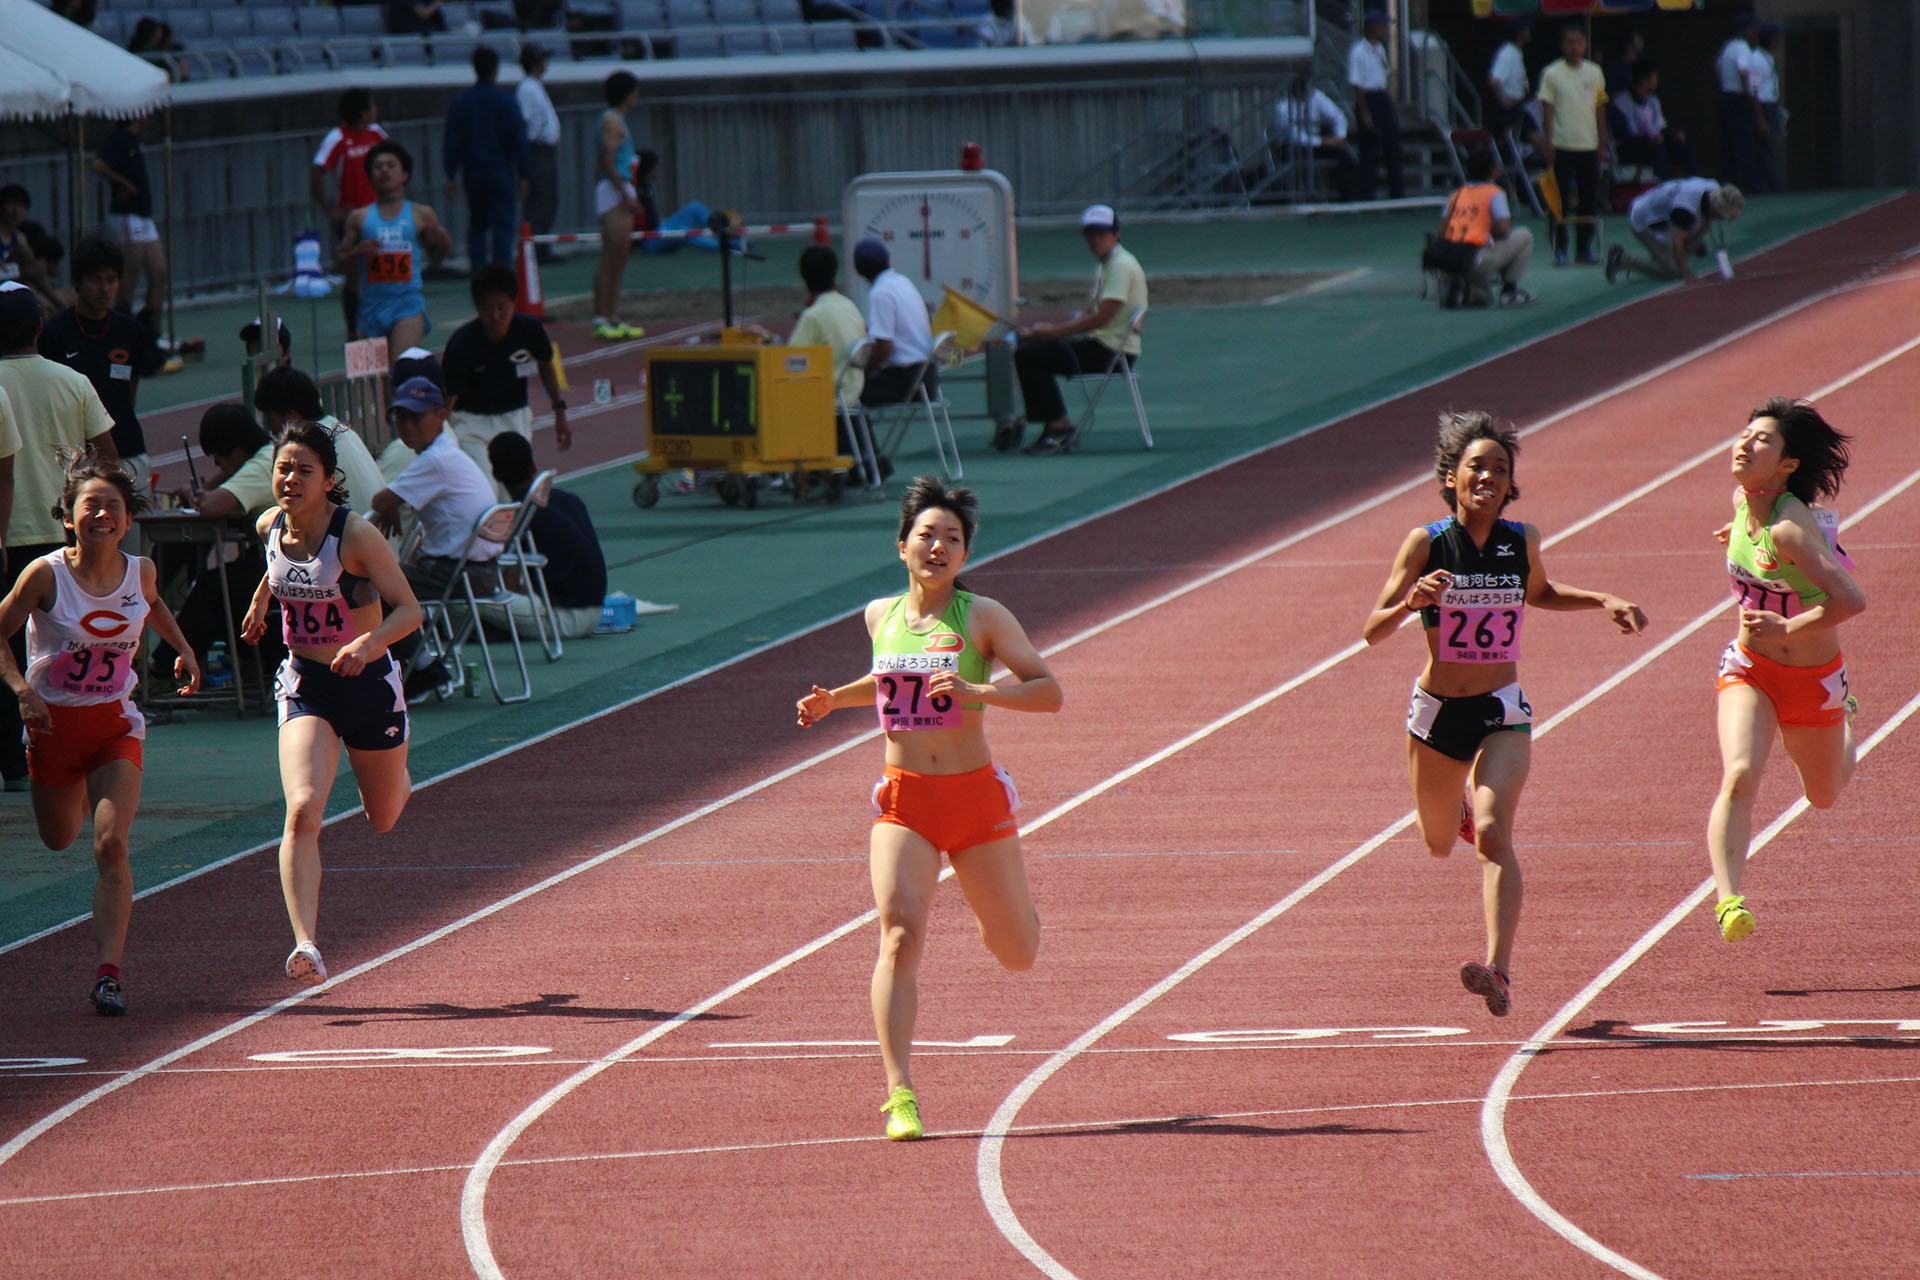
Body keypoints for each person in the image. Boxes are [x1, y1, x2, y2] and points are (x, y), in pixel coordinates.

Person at [794, 476, 1060, 1140]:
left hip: (973, 801)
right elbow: (888, 683)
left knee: (1016, 951)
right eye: (927, 535)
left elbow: (1048, 691)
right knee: (899, 935)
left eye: (952, 539)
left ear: (964, 556)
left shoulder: (984, 617)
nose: (938, 547)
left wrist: (978, 689)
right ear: (902, 545)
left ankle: (1010, 910)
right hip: (906, 802)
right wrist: (836, 700)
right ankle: (900, 1093)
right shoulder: (878, 615)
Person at [1363, 411, 1645, 1017]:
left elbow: (1538, 592)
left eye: (1500, 468)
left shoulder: (1523, 540)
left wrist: (1602, 599)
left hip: (1500, 710)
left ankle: (1499, 969)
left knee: (1495, 834)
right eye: (1476, 467)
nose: (1489, 476)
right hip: (1438, 714)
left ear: (1510, 482)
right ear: (1451, 476)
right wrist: (1413, 603)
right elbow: (1371, 630)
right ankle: (1456, 811)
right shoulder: (1427, 543)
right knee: (1439, 842)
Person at [0, 454, 198, 1014]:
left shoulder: (141, 572)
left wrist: (181, 648)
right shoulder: (45, 576)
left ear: (128, 520)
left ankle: (108, 975)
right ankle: (77, 784)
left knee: (111, 845)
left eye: (113, 505)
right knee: (59, 838)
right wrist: (22, 690)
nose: (103, 515)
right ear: (69, 517)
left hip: (115, 725)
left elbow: (153, 606)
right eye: (91, 505)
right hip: (53, 729)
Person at [239, 421, 423, 985]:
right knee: (302, 809)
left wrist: (367, 643)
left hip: (367, 684)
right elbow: (281, 566)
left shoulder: (358, 536)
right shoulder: (271, 525)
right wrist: (260, 599)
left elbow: (410, 611)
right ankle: (307, 945)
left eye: (303, 470)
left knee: (383, 817)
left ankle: (401, 776)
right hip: (306, 683)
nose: (290, 479)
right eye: (282, 468)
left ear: (329, 480)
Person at [1708, 400, 1862, 943]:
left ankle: (1844, 721)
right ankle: (1729, 900)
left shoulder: (1791, 530)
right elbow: (1753, 549)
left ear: (1788, 465)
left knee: (1822, 795)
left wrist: (1787, 628)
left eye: (1762, 441)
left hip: (1812, 678)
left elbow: (1851, 600)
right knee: (1740, 773)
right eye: (1744, 434)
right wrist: (1734, 535)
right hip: (1750, 665)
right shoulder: (1742, 501)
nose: (1745, 445)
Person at [0, 282, 120, 791]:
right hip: (63, 534)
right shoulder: (73, 381)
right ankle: (62, 747)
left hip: (7, 532)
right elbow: (109, 459)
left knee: (5, 642)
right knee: (61, 647)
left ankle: (12, 756)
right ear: (41, 328)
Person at [369, 377, 500, 696]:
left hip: (455, 576)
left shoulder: (435, 460)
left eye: (416, 417)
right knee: (391, 580)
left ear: (441, 416)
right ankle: (421, 664)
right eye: (400, 417)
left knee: (371, 585)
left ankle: (419, 667)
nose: (407, 426)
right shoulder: (447, 453)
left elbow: (380, 501)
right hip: (479, 572)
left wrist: (388, 508)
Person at [1008, 204, 1147, 457]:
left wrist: (1053, 333)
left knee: (1029, 356)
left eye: (1101, 233)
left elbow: (1102, 318)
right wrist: (1049, 331)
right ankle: (1056, 424)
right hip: (1106, 346)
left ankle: (1058, 426)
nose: (1095, 239)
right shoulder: (1109, 264)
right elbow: (1091, 312)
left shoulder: (1120, 266)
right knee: (1032, 350)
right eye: (1091, 233)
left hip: (1111, 352)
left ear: (1115, 233)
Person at [484, 431, 642, 641]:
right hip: (595, 610)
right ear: (533, 466)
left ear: (495, 475)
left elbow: (508, 591)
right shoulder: (569, 500)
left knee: (472, 599)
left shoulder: (520, 517)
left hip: (561, 619)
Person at [39, 238, 165, 496]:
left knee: (135, 532)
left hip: (129, 449)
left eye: (111, 280)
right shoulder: (54, 333)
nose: (104, 289)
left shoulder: (131, 331)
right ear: (77, 282)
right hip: (74, 461)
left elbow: (131, 388)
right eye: (96, 280)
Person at [442, 262, 571, 495]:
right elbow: (448, 399)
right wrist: (438, 437)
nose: (495, 316)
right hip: (472, 425)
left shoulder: (530, 330)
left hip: (515, 420)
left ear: (514, 302)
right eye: (486, 308)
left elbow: (546, 365)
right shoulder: (462, 344)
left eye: (502, 307)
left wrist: (559, 412)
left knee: (516, 494)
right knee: (485, 491)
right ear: (476, 307)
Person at [336, 140, 453, 358]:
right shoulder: (359, 217)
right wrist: (358, 252)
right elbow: (340, 263)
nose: (385, 171)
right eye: (378, 167)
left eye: (391, 165)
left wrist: (445, 243)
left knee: (403, 370)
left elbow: (436, 259)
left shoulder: (422, 214)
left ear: (405, 175)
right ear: (370, 177)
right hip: (370, 308)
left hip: (407, 306)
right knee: (369, 385)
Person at [251, 365, 389, 516]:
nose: (269, 426)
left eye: (269, 417)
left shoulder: (301, 446)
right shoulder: (341, 430)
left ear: (290, 415)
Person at [311, 89, 389, 341]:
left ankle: (382, 324)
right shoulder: (339, 137)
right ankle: (352, 330)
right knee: (353, 275)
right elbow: (317, 170)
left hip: (379, 216)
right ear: (362, 111)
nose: (376, 110)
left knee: (382, 271)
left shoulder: (377, 134)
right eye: (372, 106)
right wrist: (329, 208)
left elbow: (395, 161)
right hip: (352, 218)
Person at [444, 47, 531, 273]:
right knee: (503, 224)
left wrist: (450, 174)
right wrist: (524, 173)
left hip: (472, 171)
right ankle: (501, 273)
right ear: (495, 69)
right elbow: (519, 139)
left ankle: (479, 272)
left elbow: (452, 141)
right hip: (501, 169)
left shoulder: (461, 103)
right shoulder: (506, 102)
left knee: (478, 224)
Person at [1537, 22, 1609, 266]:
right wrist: (1548, 143)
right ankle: (1560, 248)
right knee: (1559, 200)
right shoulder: (1551, 73)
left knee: (1589, 199)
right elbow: (1547, 111)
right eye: (1570, 42)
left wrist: (1602, 142)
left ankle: (1584, 248)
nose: (1575, 46)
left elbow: (1600, 109)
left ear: (1585, 44)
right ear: (1562, 45)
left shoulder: (1594, 72)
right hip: (1561, 145)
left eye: (1579, 41)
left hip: (1588, 145)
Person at [90, 117, 169, 327]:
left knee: (159, 273)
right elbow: (98, 165)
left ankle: (153, 333)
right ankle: (121, 331)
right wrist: (123, 182)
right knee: (128, 276)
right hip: (126, 215)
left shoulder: (135, 140)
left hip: (143, 215)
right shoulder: (119, 139)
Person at [1433, 148, 1534, 309]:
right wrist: (1486, 233)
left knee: (1483, 299)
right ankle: (1509, 292)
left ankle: (1460, 286)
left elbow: (1442, 231)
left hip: (1449, 258)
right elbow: (1503, 228)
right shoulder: (1494, 192)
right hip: (1476, 258)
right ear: (1493, 172)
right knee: (1524, 235)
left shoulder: (1456, 194)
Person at [852, 237, 938, 416]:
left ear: (859, 270)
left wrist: (861, 374)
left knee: (847, 393)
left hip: (906, 381)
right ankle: (866, 444)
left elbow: (885, 348)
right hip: (928, 377)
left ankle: (861, 444)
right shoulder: (902, 282)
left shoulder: (880, 293)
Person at [592, 72, 646, 341]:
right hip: (615, 189)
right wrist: (625, 194)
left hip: (616, 188)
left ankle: (613, 316)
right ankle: (601, 318)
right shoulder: (612, 121)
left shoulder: (617, 120)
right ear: (628, 94)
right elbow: (608, 162)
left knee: (620, 257)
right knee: (612, 257)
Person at [1607, 179, 1743, 283]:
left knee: (1704, 225)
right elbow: (1677, 240)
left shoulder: (1714, 188)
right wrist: (1686, 274)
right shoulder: (1685, 210)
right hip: (1646, 221)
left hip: (1667, 216)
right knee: (1673, 272)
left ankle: (1664, 256)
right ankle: (1621, 258)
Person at [789, 245, 866, 406]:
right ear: (835, 272)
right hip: (855, 392)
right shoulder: (849, 306)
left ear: (804, 277)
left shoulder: (813, 316)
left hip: (831, 400)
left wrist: (768, 342)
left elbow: (791, 362)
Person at [1267, 77, 1355, 201]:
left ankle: (1346, 199)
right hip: (1292, 147)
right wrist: (1324, 142)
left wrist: (1339, 137)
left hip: (1318, 145)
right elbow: (1296, 137)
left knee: (1345, 156)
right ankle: (1302, 198)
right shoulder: (1283, 108)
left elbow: (1338, 116)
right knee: (1299, 158)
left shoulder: (1317, 97)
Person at [1348, 9, 1404, 201]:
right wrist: (1364, 113)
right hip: (1368, 99)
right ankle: (1366, 196)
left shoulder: (1380, 49)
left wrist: (1391, 104)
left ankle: (1397, 194)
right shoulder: (1358, 51)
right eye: (1382, 26)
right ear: (1373, 28)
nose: (1385, 30)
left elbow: (1385, 77)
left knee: (1392, 146)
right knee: (1369, 150)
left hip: (1381, 97)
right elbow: (1357, 84)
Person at [514, 47, 563, 263]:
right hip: (537, 149)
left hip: (544, 149)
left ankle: (542, 247)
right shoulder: (527, 89)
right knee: (539, 201)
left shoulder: (534, 86)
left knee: (548, 200)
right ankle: (534, 250)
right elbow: (525, 123)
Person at [1610, 63, 1695, 181]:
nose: (1656, 80)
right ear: (1644, 80)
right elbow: (1622, 135)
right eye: (1654, 77)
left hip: (1654, 142)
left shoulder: (1653, 100)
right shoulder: (1621, 102)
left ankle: (1693, 182)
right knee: (1657, 149)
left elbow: (1660, 127)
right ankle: (1662, 186)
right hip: (1631, 146)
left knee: (1682, 145)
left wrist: (1673, 133)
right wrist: (1649, 139)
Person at [0, 185, 66, 314]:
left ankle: (56, 303)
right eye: (11, 205)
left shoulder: (19, 237)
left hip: (18, 282)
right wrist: (25, 271)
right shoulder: (18, 243)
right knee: (23, 252)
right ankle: (57, 303)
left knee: (39, 299)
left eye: (21, 207)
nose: (16, 211)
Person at [1716, 16, 1764, 193]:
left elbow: (1716, 66)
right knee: (1746, 145)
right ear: (1749, 31)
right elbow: (1743, 71)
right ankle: (1753, 186)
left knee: (1729, 146)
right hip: (1738, 99)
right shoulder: (1743, 48)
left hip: (1726, 97)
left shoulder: (1727, 47)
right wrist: (1749, 93)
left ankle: (1730, 186)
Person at [1486, 19, 1542, 158]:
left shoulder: (1516, 52)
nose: (1529, 33)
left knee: (1526, 139)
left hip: (1519, 105)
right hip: (1509, 109)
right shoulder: (1507, 54)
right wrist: (1503, 99)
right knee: (1509, 143)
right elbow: (1494, 80)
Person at [1748, 23, 1783, 193]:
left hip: (1770, 105)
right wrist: (1760, 118)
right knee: (1765, 149)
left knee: (1771, 147)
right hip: (1762, 107)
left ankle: (1773, 184)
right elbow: (1754, 90)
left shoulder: (1768, 58)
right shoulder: (1756, 59)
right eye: (1776, 36)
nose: (1779, 40)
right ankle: (1770, 186)